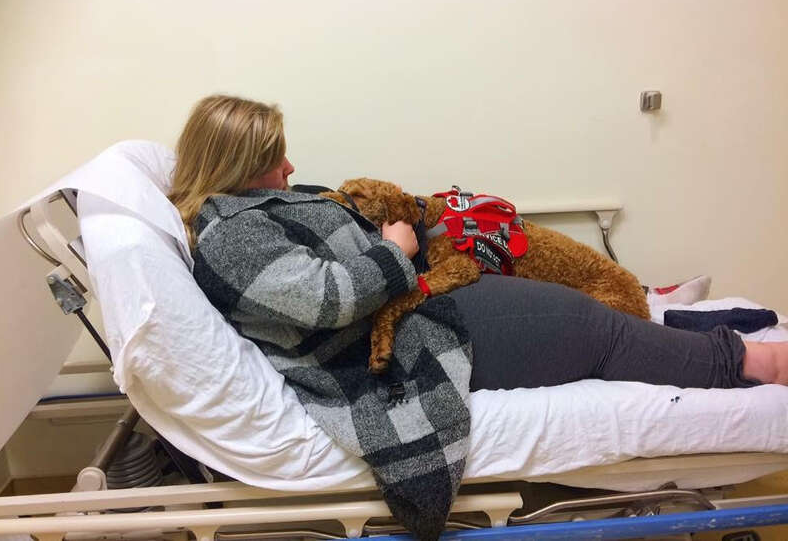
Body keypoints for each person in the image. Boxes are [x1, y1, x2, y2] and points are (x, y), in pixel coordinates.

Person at [168, 94, 787, 539]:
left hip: (420, 303)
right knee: (592, 330)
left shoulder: (259, 207)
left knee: (586, 307)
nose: (292, 168)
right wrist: (396, 249)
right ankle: (747, 362)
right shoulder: (231, 237)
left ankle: (702, 337)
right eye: (277, 157)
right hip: (404, 341)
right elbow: (325, 300)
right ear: (234, 165)